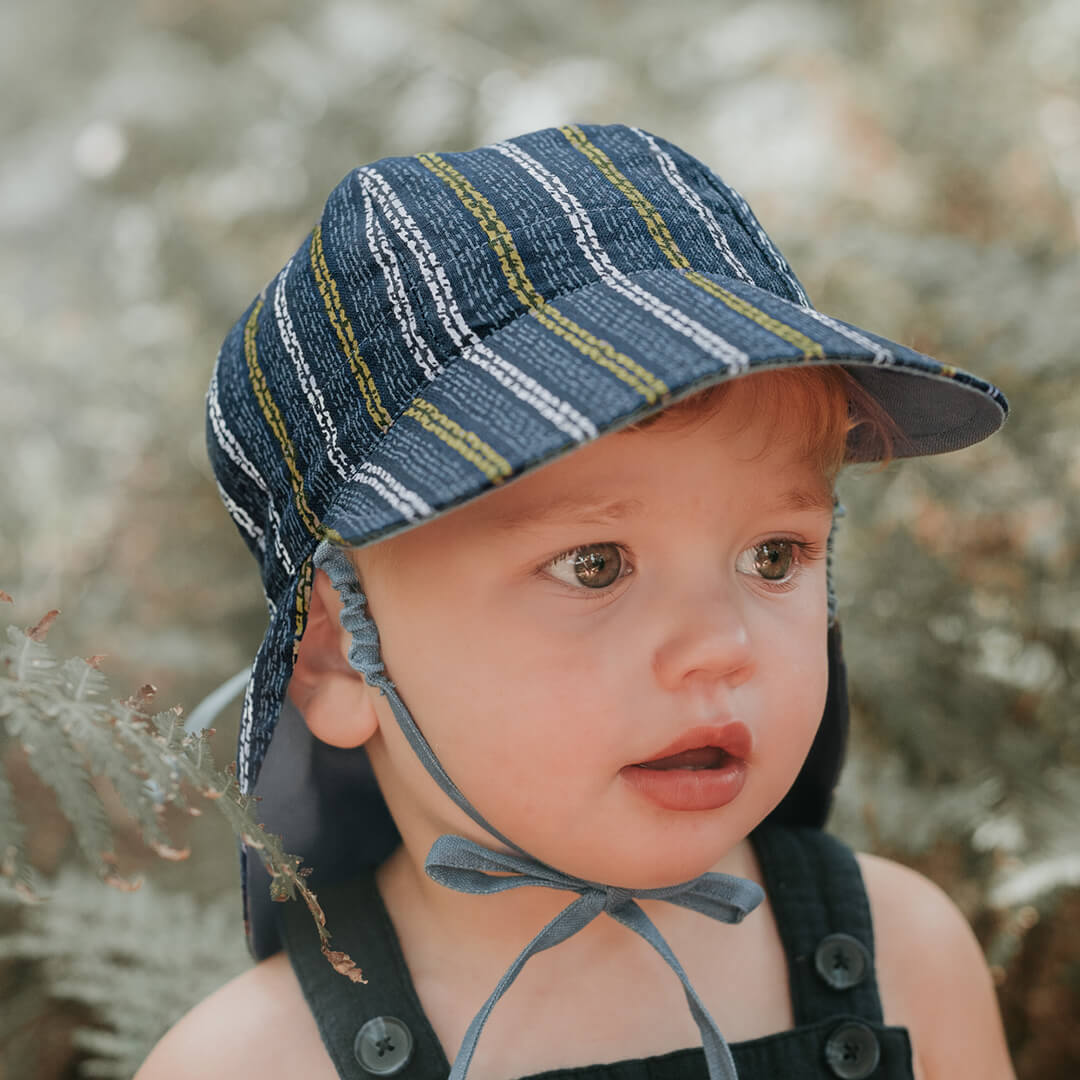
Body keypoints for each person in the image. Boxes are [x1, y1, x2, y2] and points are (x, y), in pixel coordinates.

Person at [136, 123, 1016, 1080]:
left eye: (774, 555)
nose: (720, 647)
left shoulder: (906, 959)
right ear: (340, 652)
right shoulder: (251, 1066)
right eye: (595, 564)